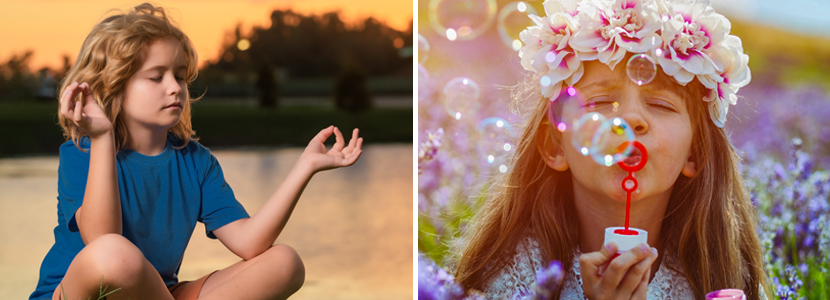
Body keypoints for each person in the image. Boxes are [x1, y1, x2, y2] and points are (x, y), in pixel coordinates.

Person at [29, 3, 363, 300]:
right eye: (156, 77)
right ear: (114, 87)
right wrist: (102, 138)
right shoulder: (81, 152)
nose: (175, 87)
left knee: (285, 262)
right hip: (79, 292)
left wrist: (305, 166)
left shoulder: (196, 161)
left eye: (179, 75)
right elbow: (102, 241)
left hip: (160, 292)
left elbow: (250, 243)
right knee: (115, 254)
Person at [452, 0, 769, 299]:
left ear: (694, 153)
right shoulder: (514, 278)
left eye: (660, 104)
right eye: (600, 102)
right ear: (555, 145)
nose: (631, 118)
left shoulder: (718, 276)